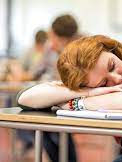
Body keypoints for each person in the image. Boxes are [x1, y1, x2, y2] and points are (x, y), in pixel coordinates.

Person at [16, 14, 79, 162]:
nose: (51, 40)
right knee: (38, 127)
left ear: (62, 38)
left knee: (63, 134)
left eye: (53, 37)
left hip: (68, 100)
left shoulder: (79, 51)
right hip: (48, 99)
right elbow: (35, 72)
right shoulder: (49, 49)